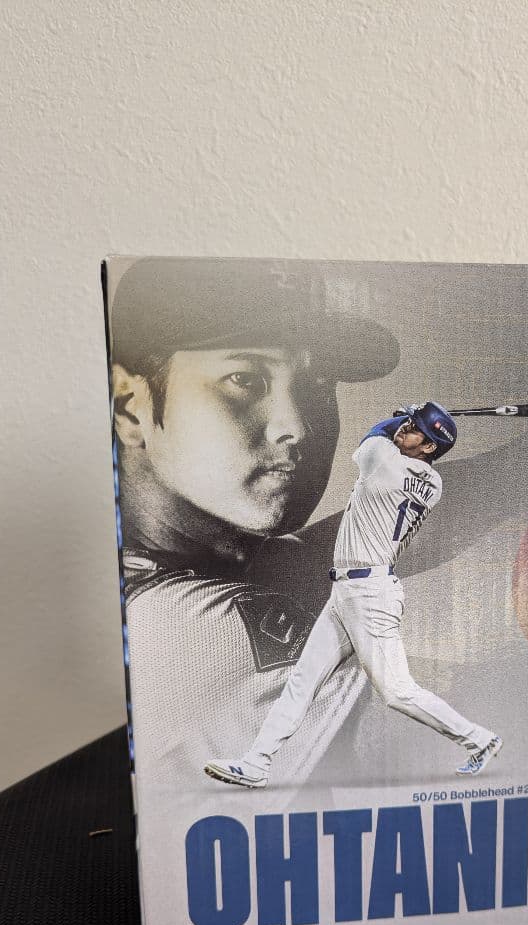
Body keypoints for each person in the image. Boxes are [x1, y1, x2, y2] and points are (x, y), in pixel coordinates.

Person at [109, 258, 399, 787]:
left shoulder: (195, 560)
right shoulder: (185, 631)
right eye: (244, 379)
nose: (297, 425)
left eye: (318, 384)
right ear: (130, 408)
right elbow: (477, 717)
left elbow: (337, 544)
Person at [204, 402, 503, 790]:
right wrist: (416, 419)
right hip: (350, 592)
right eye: (408, 424)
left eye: (414, 428)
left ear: (429, 447)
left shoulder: (384, 462)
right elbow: (393, 439)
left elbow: (374, 434)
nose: (405, 429)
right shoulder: (433, 484)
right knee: (302, 681)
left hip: (369, 596)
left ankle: (479, 739)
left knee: (397, 692)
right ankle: (257, 763)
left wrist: (401, 414)